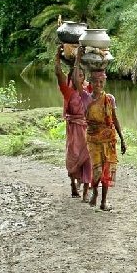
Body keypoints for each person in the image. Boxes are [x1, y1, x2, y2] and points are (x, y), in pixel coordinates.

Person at [77, 46, 126, 211]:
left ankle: (103, 201)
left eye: (101, 82)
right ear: (90, 83)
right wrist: (78, 58)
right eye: (95, 82)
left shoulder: (109, 99)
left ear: (104, 82)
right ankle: (95, 193)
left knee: (107, 169)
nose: (98, 84)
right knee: (97, 169)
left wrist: (122, 138)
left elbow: (115, 119)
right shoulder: (85, 98)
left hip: (109, 138)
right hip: (93, 139)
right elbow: (76, 81)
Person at [54, 44, 92, 200]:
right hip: (74, 128)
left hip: (87, 128)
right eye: (77, 76)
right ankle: (73, 183)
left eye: (82, 76)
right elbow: (58, 72)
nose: (80, 78)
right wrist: (57, 57)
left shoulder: (88, 90)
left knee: (88, 156)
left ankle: (84, 184)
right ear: (71, 78)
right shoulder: (68, 91)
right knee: (74, 155)